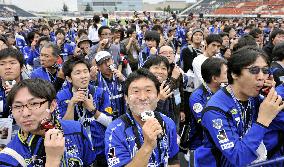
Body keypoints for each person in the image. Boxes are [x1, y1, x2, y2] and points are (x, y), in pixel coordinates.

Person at [195, 46, 284, 167]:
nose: (261, 77)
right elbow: (238, 158)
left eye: (265, 70)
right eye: (254, 70)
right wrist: (262, 121)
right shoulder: (215, 110)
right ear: (234, 73)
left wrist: (271, 95)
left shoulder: (255, 97)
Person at [0, 79, 96, 166]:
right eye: (17, 106)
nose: (25, 113)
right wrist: (52, 161)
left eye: (34, 104)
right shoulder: (8, 158)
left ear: (52, 105)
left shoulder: (76, 130)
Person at [104, 68, 180, 167]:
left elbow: (173, 160)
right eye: (136, 91)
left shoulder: (168, 123)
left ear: (158, 96)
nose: (143, 97)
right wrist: (147, 146)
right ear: (126, 98)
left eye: (148, 90)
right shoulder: (113, 131)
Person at [56, 56, 112, 166]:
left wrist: (93, 109)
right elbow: (63, 129)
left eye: (85, 71)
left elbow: (110, 122)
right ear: (69, 78)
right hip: (77, 153)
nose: (83, 76)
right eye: (77, 73)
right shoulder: (62, 96)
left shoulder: (100, 93)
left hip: (101, 150)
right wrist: (71, 104)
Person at [188, 58, 227, 152]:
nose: (229, 75)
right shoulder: (197, 97)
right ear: (214, 78)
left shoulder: (225, 90)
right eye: (226, 73)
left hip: (221, 143)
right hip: (201, 146)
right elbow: (205, 123)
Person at [95, 51, 126, 118]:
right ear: (98, 67)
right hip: (105, 121)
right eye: (103, 63)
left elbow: (131, 93)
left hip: (123, 118)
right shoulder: (96, 81)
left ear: (112, 60)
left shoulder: (120, 76)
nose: (107, 64)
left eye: (108, 60)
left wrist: (124, 80)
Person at [0, 48, 25, 118]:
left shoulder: (32, 89)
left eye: (12, 63)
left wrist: (19, 95)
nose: (7, 67)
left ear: (22, 67)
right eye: (2, 64)